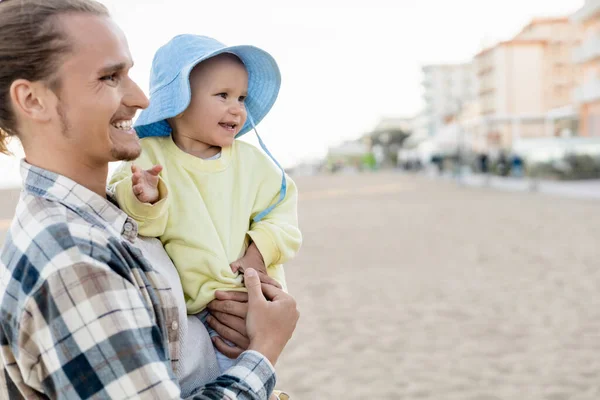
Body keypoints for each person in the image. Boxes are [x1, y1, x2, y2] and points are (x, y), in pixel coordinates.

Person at [0, 1, 298, 399]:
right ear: (33, 100)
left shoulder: (105, 214)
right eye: (109, 77)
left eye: (130, 74)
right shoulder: (71, 261)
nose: (142, 98)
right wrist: (264, 349)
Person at [108, 35, 302, 372]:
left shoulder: (252, 164)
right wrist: (146, 198)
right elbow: (141, 223)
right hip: (193, 314)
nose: (237, 108)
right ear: (178, 100)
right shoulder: (149, 154)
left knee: (250, 375)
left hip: (248, 300)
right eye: (223, 95)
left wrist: (257, 254)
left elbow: (282, 214)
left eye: (241, 97)